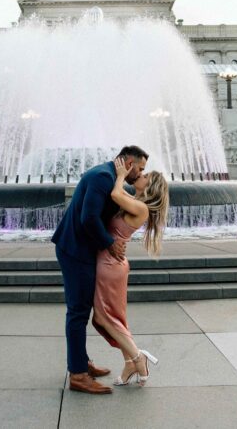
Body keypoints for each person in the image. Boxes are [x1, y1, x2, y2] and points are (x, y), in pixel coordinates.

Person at [52, 145, 149, 395]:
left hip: (83, 250)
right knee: (78, 312)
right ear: (128, 162)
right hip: (75, 250)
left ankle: (81, 362)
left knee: (82, 311)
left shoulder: (109, 177)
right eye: (139, 168)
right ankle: (78, 375)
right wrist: (110, 244)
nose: (139, 174)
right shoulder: (102, 177)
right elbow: (88, 218)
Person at [92, 157, 169, 387]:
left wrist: (120, 177)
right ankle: (129, 363)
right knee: (114, 318)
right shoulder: (135, 201)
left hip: (110, 265)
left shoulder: (141, 207)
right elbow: (114, 198)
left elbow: (115, 195)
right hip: (111, 263)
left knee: (103, 317)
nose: (141, 176)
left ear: (150, 186)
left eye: (145, 176)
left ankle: (138, 357)